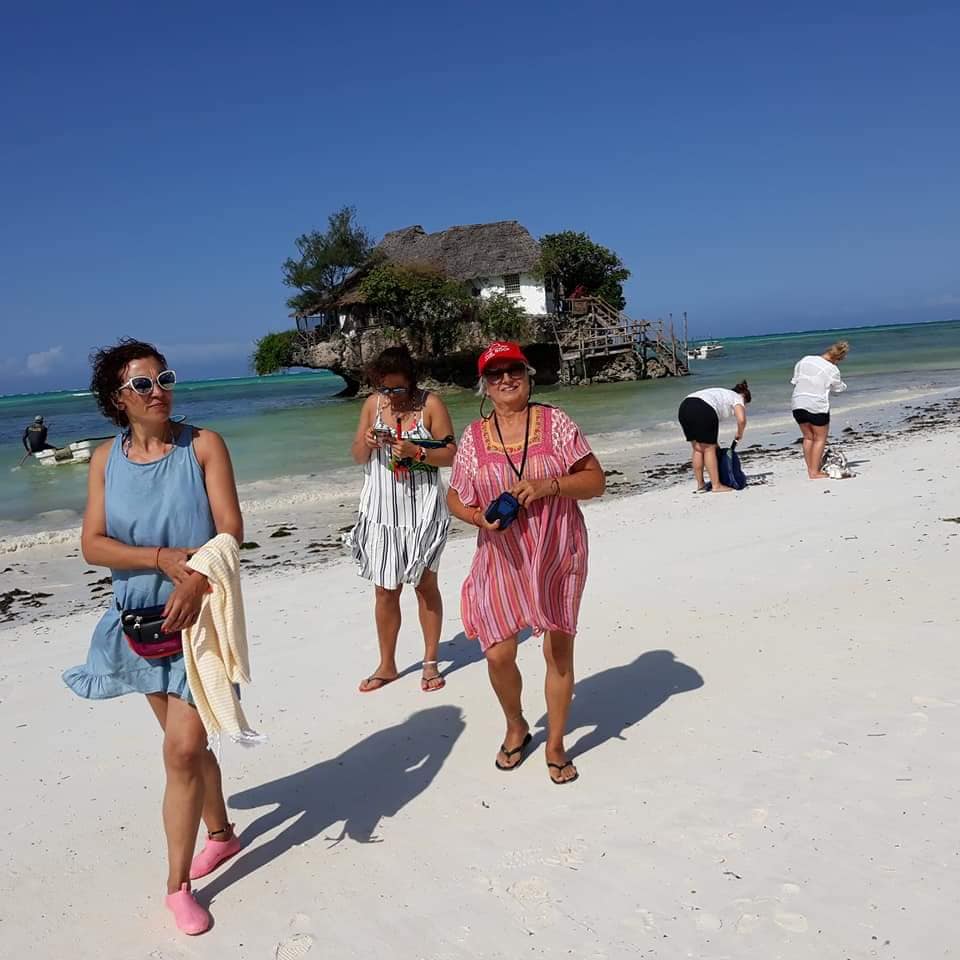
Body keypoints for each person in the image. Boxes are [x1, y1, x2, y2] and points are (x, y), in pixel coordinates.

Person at [62, 339, 245, 936]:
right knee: (184, 745)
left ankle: (176, 887)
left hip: (199, 619)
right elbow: (93, 544)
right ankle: (220, 834)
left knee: (182, 752)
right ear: (118, 399)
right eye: (141, 383)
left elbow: (230, 530)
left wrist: (193, 579)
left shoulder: (203, 446)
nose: (158, 389)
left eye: (163, 377)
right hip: (138, 621)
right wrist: (161, 558)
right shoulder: (103, 460)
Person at [447, 341, 606, 784]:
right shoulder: (474, 437)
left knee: (557, 649)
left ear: (528, 373)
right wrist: (478, 517)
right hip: (500, 555)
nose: (505, 380)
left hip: (556, 548)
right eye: (495, 374)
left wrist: (549, 486)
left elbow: (595, 481)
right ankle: (516, 723)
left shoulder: (555, 423)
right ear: (484, 385)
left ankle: (555, 744)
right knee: (497, 652)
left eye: (512, 370)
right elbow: (455, 497)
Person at [348, 345, 456, 693]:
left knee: (425, 586)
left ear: (411, 381)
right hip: (382, 510)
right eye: (385, 388)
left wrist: (417, 451)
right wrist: (366, 441)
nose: (392, 396)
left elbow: (451, 454)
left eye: (398, 389)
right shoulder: (372, 406)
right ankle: (388, 664)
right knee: (384, 590)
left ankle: (429, 661)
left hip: (422, 508)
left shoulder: (431, 405)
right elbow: (356, 456)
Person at [678, 381, 751, 493]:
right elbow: (741, 420)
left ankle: (701, 485)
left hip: (685, 407)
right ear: (744, 397)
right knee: (709, 449)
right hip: (704, 408)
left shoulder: (722, 393)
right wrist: (739, 433)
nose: (744, 406)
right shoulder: (738, 398)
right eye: (745, 404)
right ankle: (716, 486)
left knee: (698, 448)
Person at [791, 341, 849, 479]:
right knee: (820, 439)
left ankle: (811, 469)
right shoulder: (832, 369)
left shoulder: (805, 360)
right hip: (817, 405)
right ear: (838, 358)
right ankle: (814, 472)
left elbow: (795, 380)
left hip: (797, 402)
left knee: (808, 437)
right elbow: (838, 388)